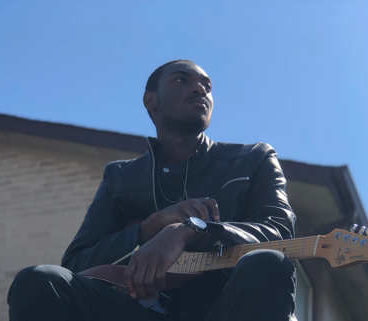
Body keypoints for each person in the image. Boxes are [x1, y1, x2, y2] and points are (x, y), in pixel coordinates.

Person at [7, 60, 297, 321]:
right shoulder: (121, 177)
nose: (200, 89)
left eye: (207, 86)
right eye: (182, 80)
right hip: (135, 310)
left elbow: (281, 232)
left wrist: (191, 230)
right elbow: (77, 264)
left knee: (270, 262)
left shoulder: (253, 158)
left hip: (225, 307)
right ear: (151, 102)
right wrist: (150, 228)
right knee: (39, 281)